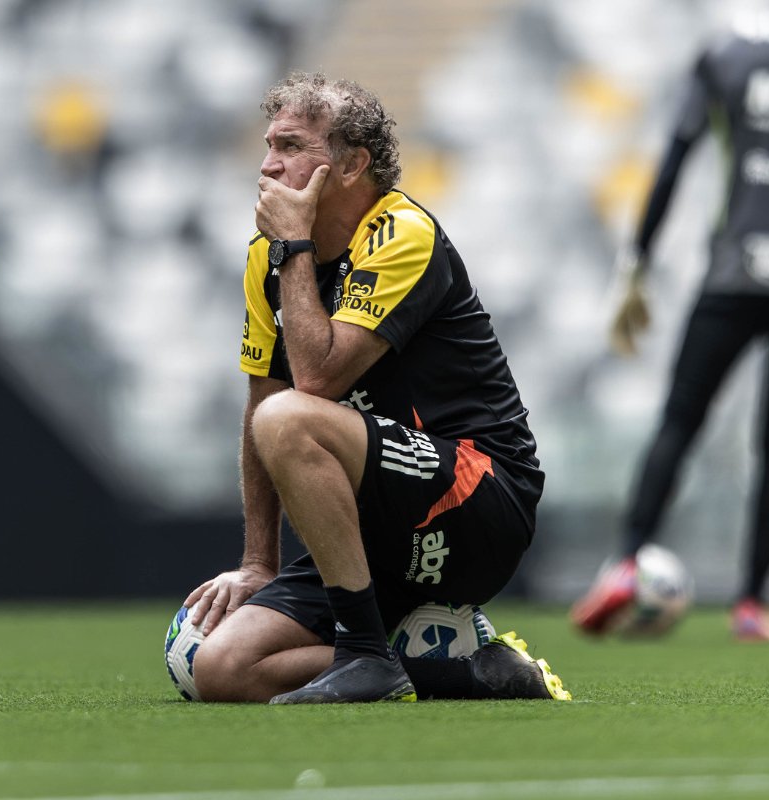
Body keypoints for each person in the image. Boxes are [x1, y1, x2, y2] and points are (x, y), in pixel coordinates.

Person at [183, 72, 570, 704]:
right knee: (222, 670)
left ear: (352, 163)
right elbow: (260, 402)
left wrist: (293, 248)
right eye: (268, 145)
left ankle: (366, 653)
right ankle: (470, 671)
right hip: (370, 534)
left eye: (288, 146)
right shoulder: (268, 257)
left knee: (291, 418)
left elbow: (314, 380)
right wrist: (258, 562)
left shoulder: (400, 233)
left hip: (478, 501)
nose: (267, 166)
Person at [572, 0, 769, 643]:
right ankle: (751, 603)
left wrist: (637, 263)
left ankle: (627, 562)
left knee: (680, 419)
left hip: (733, 270)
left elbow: (677, 153)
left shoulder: (727, 49)